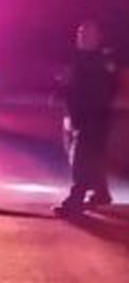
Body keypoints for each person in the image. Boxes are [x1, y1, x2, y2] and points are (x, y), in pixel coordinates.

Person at [55, 20, 118, 215]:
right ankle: (101, 192)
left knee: (82, 157)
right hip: (80, 115)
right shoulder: (80, 58)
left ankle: (76, 199)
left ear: (99, 37)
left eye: (89, 34)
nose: (83, 37)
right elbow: (69, 83)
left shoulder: (100, 61)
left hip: (93, 116)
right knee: (91, 155)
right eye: (81, 33)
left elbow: (100, 90)